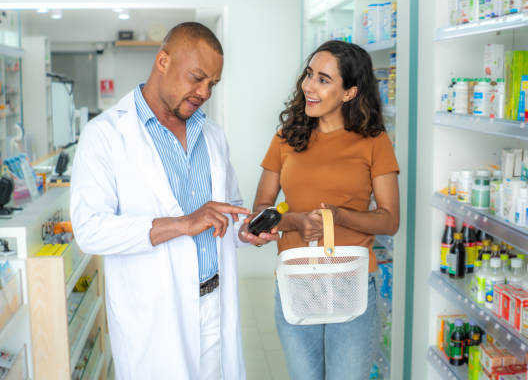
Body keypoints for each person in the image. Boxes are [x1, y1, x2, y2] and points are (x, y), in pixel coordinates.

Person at [70, 22, 275, 380]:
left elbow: (227, 210)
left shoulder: (211, 134)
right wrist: (182, 223)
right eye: (197, 78)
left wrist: (245, 232)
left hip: (214, 306)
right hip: (153, 318)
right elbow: (89, 230)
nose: (204, 92)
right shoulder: (105, 135)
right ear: (162, 61)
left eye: (212, 84)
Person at [251, 40, 400, 380]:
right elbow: (262, 207)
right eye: (308, 75)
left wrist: (339, 216)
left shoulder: (374, 141)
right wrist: (296, 222)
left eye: (323, 79)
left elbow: (390, 220)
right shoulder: (286, 138)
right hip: (296, 280)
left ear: (349, 92)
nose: (308, 86)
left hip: (351, 281)